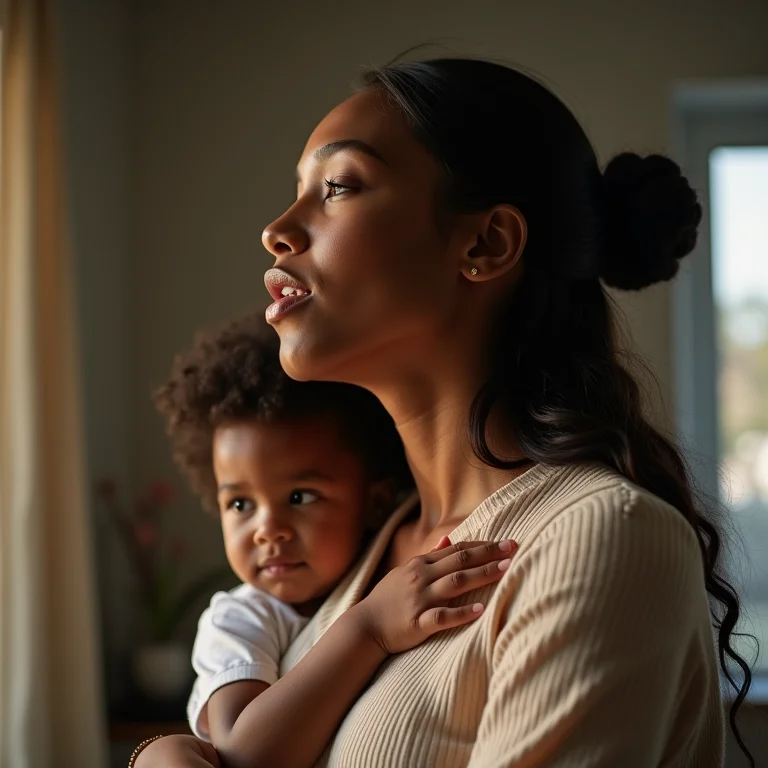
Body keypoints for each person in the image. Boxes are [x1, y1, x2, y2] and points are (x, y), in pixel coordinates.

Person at [135, 58, 754, 767]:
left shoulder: (602, 538)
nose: (278, 230)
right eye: (297, 191)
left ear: (485, 245)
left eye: (337, 186)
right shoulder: (364, 544)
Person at [150, 311, 513, 758]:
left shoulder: (381, 565)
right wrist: (370, 627)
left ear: (375, 503)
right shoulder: (241, 622)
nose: (269, 530)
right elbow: (244, 756)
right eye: (241, 504)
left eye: (300, 497)